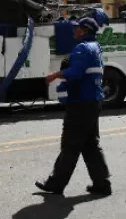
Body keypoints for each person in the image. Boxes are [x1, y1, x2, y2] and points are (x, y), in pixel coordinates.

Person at [37, 17, 112, 196]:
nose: (74, 31)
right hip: (93, 101)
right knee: (90, 144)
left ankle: (56, 183)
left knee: (70, 144)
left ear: (84, 30)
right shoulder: (96, 47)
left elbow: (76, 72)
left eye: (77, 28)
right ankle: (102, 184)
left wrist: (55, 75)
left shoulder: (82, 48)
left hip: (81, 103)